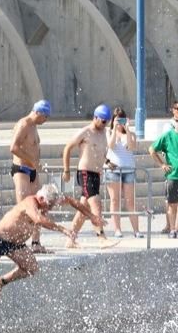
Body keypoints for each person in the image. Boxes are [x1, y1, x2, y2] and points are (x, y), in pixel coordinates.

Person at [0, 185, 104, 299]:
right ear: (41, 198)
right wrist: (63, 230)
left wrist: (92, 217)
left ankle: (1, 281)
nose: (48, 209)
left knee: (31, 268)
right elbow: (38, 219)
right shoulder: (31, 203)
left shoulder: (48, 199)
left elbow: (72, 201)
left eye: (51, 206)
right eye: (48, 206)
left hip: (15, 245)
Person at [62, 104, 117, 248]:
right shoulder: (86, 132)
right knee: (96, 203)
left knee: (83, 210)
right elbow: (67, 148)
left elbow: (99, 152)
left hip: (96, 174)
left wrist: (107, 162)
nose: (105, 124)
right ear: (95, 117)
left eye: (107, 121)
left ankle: (70, 238)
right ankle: (101, 237)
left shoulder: (103, 133)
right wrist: (66, 170)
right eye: (103, 121)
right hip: (85, 173)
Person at [10, 100, 51, 252]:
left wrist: (35, 163)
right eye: (45, 116)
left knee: (39, 206)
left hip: (32, 171)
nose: (46, 120)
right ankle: (16, 243)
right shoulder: (24, 124)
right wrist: (32, 160)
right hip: (22, 170)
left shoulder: (33, 126)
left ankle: (35, 243)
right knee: (23, 208)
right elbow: (13, 147)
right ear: (38, 112)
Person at [104, 108, 141, 238]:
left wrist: (128, 130)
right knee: (115, 200)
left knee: (130, 201)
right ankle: (117, 229)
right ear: (113, 120)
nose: (119, 123)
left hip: (128, 170)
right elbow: (111, 145)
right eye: (117, 120)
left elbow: (131, 147)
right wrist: (114, 129)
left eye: (122, 119)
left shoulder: (131, 134)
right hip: (113, 170)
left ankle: (136, 230)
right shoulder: (109, 132)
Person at [149, 112, 178, 238]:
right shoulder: (168, 136)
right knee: (172, 203)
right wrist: (162, 165)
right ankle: (172, 229)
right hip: (173, 176)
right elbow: (151, 149)